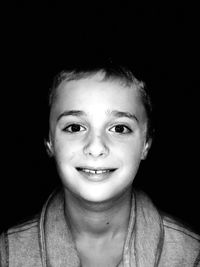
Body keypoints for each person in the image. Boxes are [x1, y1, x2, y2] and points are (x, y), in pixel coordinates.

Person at [0, 62, 199, 267]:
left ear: (146, 144)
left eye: (120, 128)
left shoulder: (192, 254)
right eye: (75, 127)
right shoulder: (7, 255)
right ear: (49, 141)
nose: (96, 148)